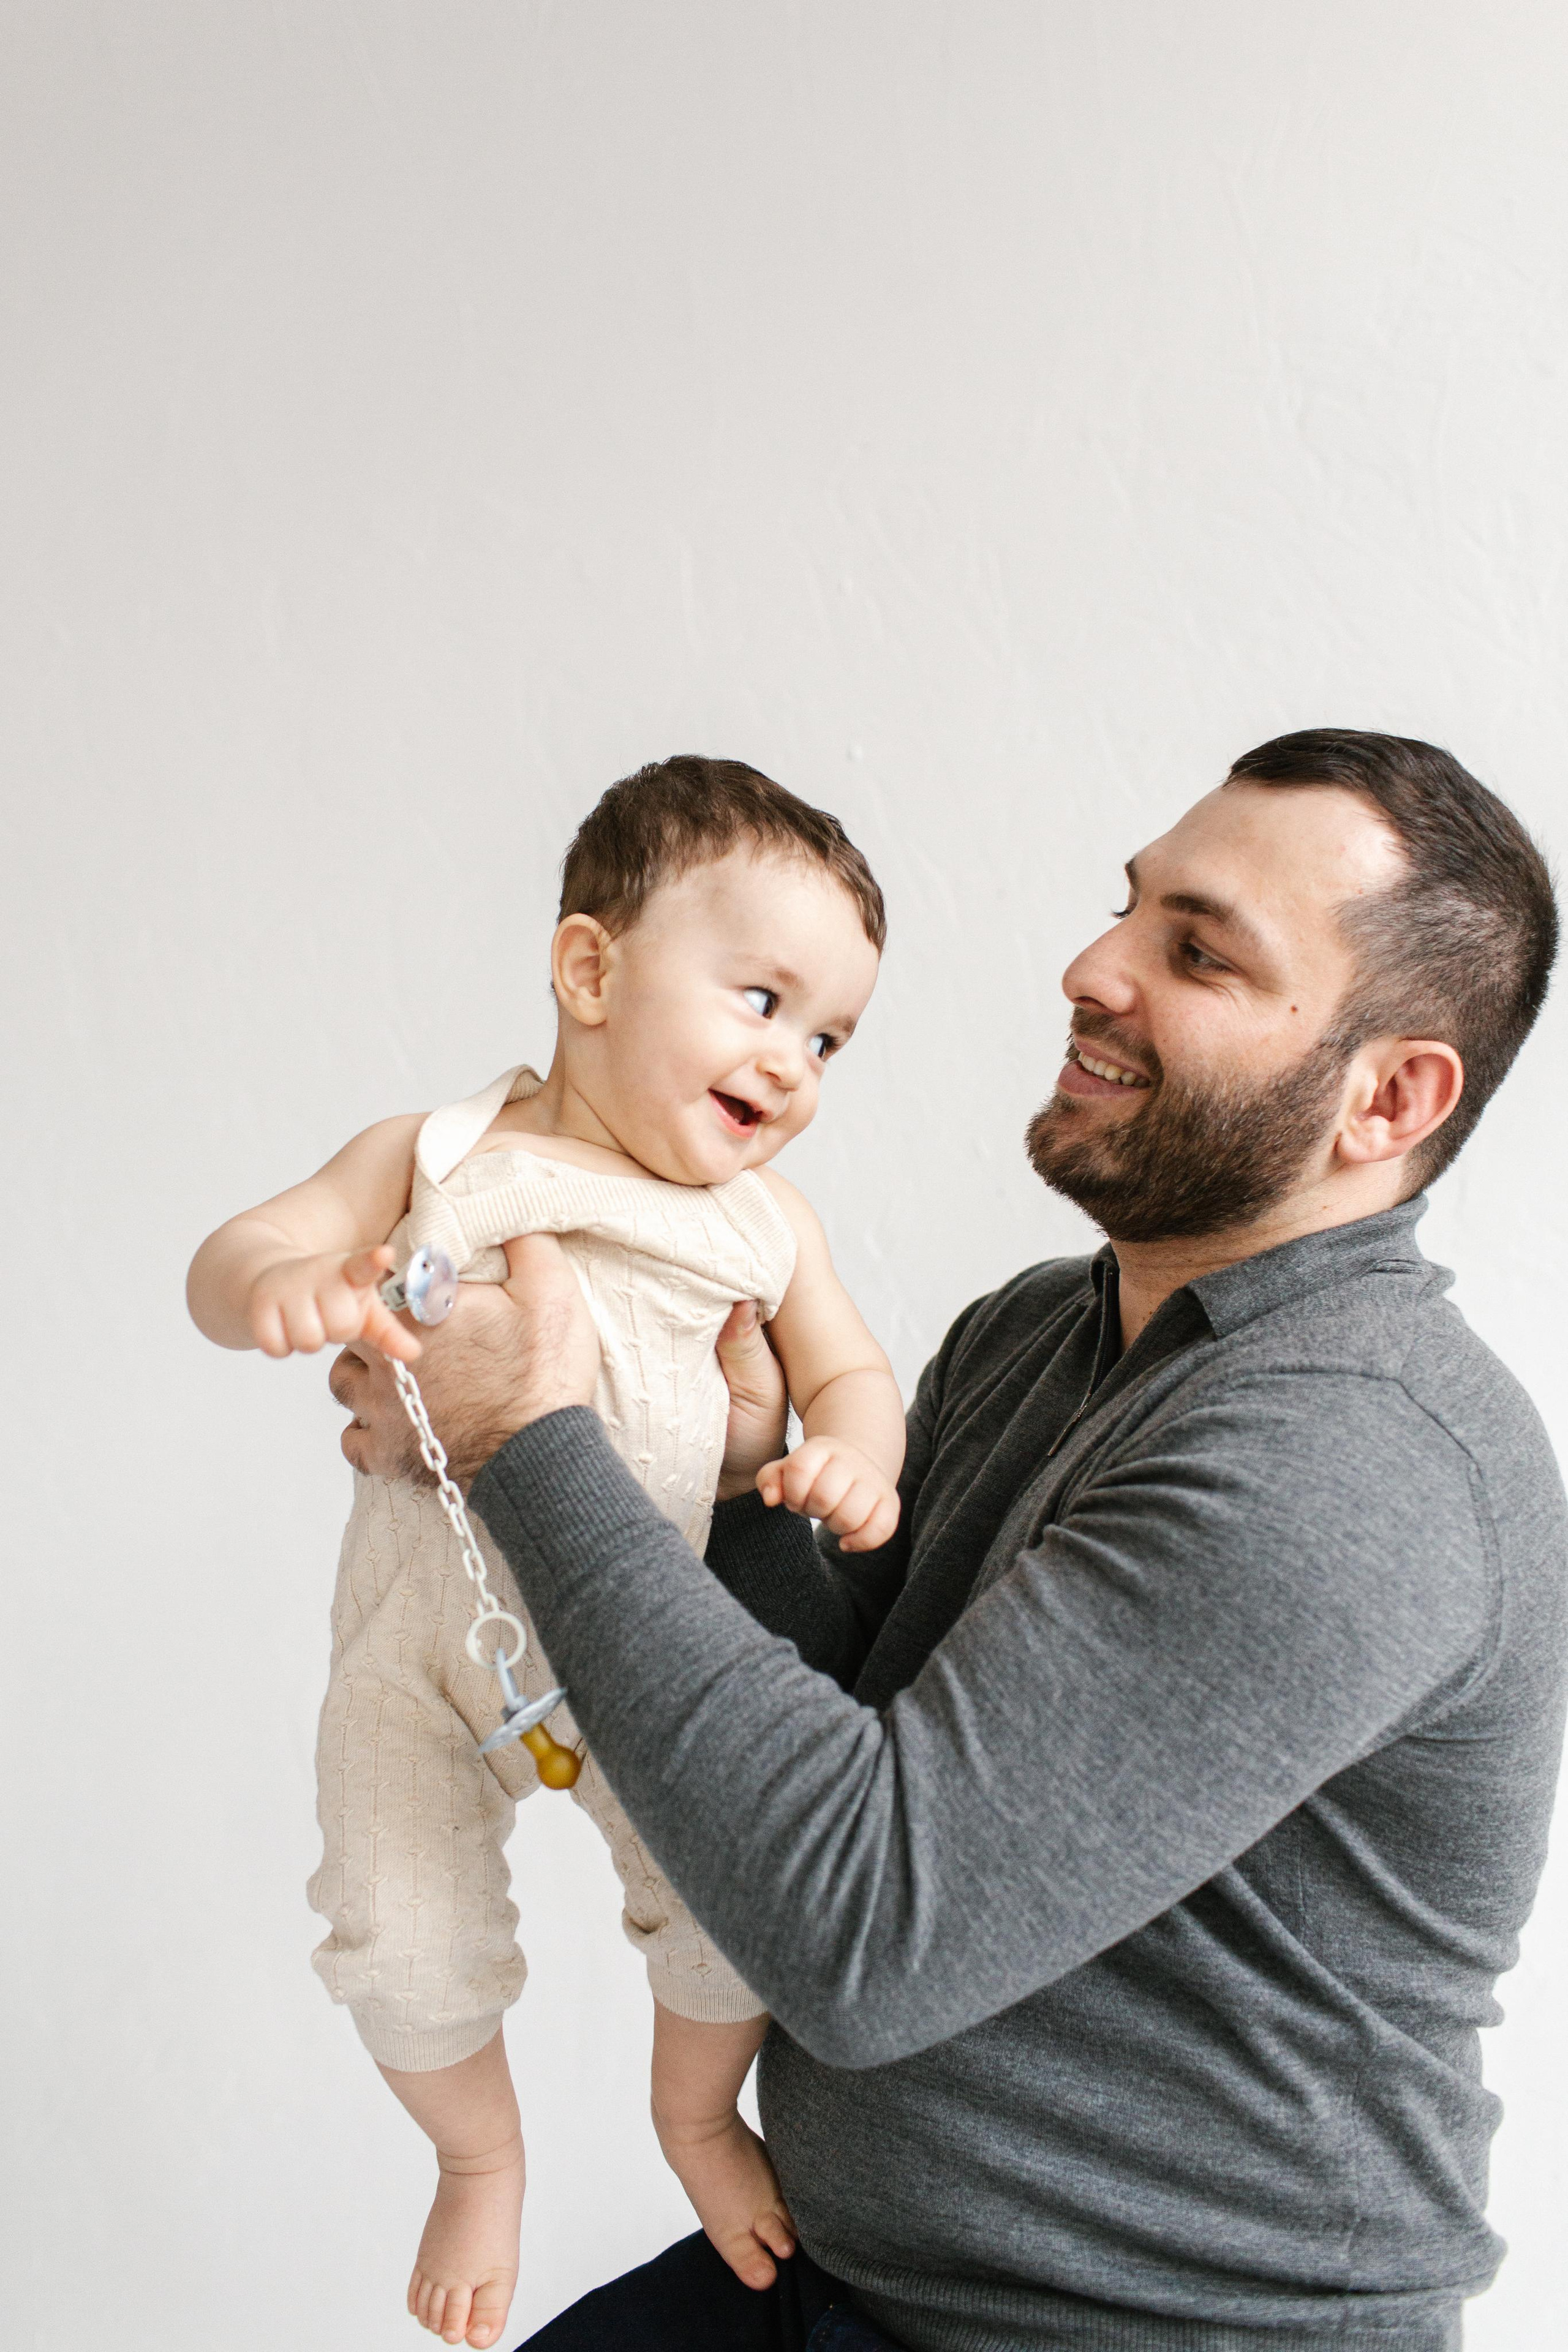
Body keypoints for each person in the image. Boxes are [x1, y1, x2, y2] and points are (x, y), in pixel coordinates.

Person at [336, 730, 1567, 2352]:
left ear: (1389, 1095)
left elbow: (859, 1928)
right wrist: (733, 1464)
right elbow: (819, 1736)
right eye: (1129, 908)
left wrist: (529, 1445)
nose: (1093, 967)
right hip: (851, 2282)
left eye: (1195, 951)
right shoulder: (1043, 1335)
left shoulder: (1355, 1457)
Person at [185, 758, 908, 2350]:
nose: (790, 1063)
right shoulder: (437, 1149)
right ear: (590, 970)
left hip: (644, 1660)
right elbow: (241, 1244)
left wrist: (849, 1451)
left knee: (731, 1914)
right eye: (763, 998)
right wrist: (280, 1292)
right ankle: (477, 2152)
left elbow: (852, 1369)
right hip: (418, 1655)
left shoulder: (762, 1223)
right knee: (387, 1918)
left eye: (829, 1037)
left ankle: (700, 2122)